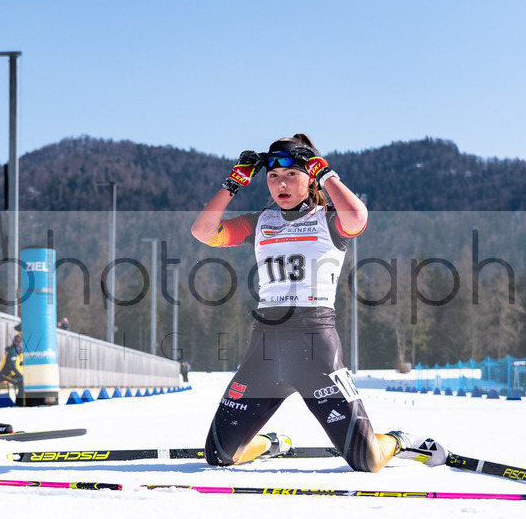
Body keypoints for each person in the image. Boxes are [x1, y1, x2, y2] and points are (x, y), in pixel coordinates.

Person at [190, 134, 446, 470]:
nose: (281, 184)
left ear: (309, 176)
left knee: (366, 460)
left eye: (291, 175)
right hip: (265, 347)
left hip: (315, 345)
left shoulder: (329, 219)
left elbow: (357, 217)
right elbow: (202, 231)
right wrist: (233, 183)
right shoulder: (260, 222)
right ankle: (271, 443)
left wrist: (326, 172)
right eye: (273, 177)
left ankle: (398, 441)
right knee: (219, 455)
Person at [0, 333, 24, 404]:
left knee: (24, 381)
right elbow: (13, 367)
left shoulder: (18, 352)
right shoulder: (13, 352)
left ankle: (19, 401)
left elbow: (19, 365)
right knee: (22, 382)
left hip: (10, 374)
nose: (19, 343)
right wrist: (21, 375)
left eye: (20, 341)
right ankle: (20, 402)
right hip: (4, 375)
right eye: (17, 341)